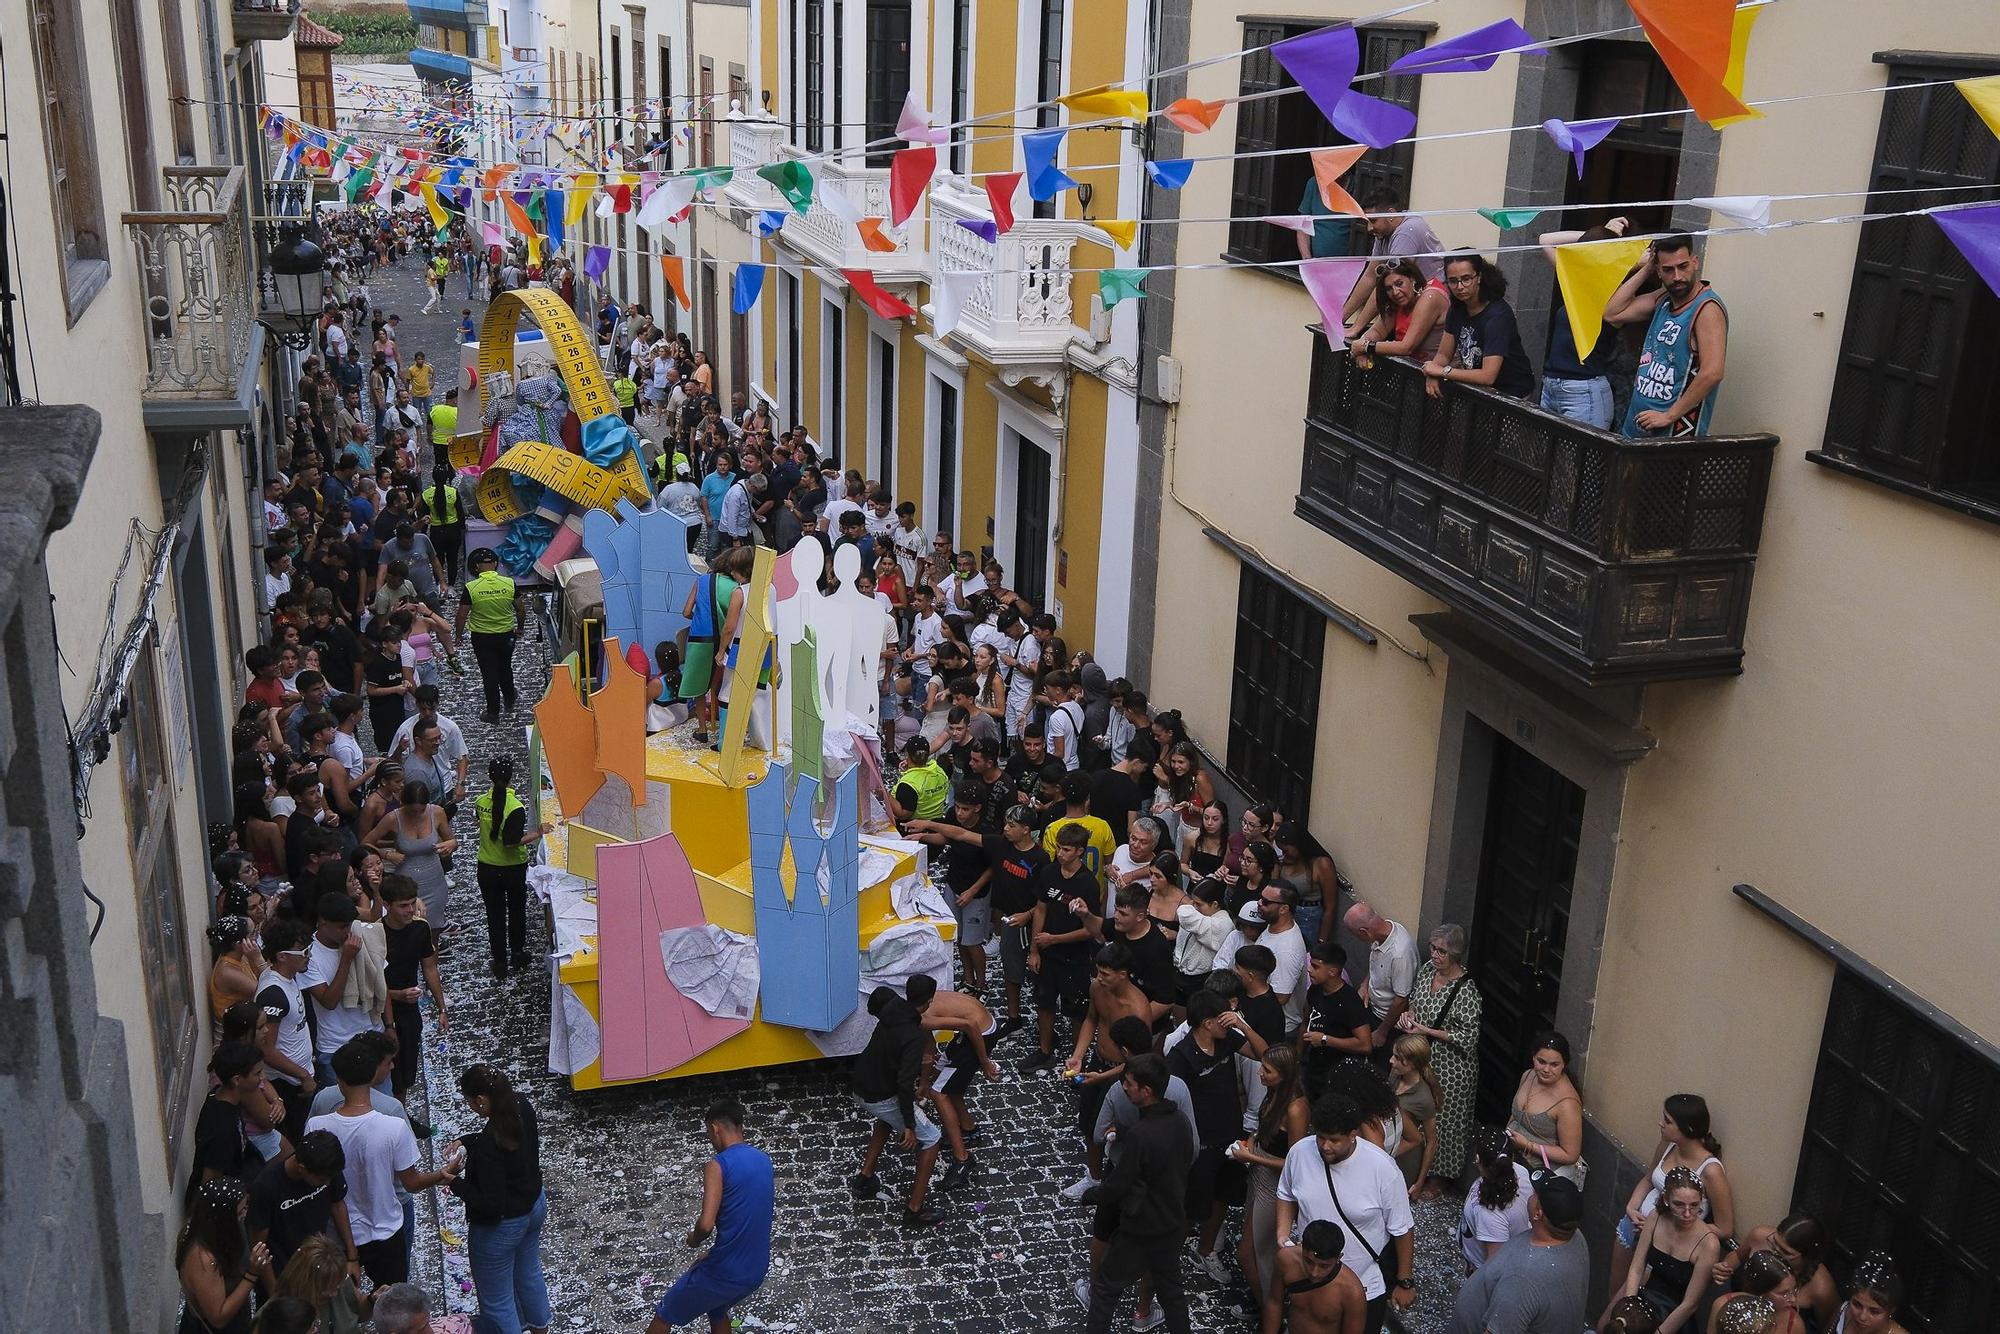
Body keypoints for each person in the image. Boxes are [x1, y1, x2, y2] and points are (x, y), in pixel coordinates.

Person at [305, 1037, 463, 1288]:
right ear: (371, 1077)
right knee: (394, 1300)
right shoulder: (394, 1126)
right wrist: (443, 1174)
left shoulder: (317, 1125)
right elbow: (411, 1183)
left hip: (336, 1232)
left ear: (340, 1080)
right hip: (386, 1231)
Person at [1274, 1093, 1417, 1334]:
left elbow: (1402, 1228)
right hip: (1312, 1275)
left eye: (1334, 1140)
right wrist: (1283, 1235)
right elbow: (1286, 1193)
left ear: (1353, 1135)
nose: (1325, 1146)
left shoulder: (1382, 1169)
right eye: (1320, 1138)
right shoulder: (1299, 1153)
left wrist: (1404, 1281)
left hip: (1365, 1285)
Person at [1080, 1053, 1195, 1334]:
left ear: (1146, 1091)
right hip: (1171, 1223)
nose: (1125, 1087)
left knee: (1105, 1289)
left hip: (1141, 1228)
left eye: (1129, 1084)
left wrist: (1091, 1195)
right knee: (1171, 1293)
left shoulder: (1141, 1135)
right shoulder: (1179, 1121)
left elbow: (1118, 1185)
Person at [648, 1100, 775, 1334]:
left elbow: (706, 1225)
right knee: (716, 1308)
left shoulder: (718, 1166)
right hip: (755, 1268)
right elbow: (749, 1217)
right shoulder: (764, 1160)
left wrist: (693, 1240)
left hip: (726, 1271)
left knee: (664, 1314)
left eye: (709, 1133)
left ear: (715, 1128)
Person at [450, 1065, 552, 1334]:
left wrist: (454, 1183)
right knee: (528, 1274)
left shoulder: (488, 1148)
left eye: (470, 1102)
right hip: (534, 1205)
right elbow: (506, 1138)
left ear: (481, 1100)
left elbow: (490, 1204)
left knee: (498, 1300)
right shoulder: (522, 1106)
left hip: (502, 1226)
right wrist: (466, 1140)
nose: (472, 1106)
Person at [1611, 1093, 1736, 1302]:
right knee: (1614, 1292)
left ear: (1687, 1128)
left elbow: (1725, 1227)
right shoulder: (1667, 1146)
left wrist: (1661, 1226)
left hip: (1663, 1245)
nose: (1661, 1123)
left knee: (1629, 1300)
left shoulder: (1711, 1171)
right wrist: (1632, 1208)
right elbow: (1649, 1178)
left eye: (1668, 1121)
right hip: (1632, 1227)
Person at [1606, 234, 1728, 438]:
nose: (1677, 276)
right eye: (1668, 269)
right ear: (1658, 270)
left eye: (1683, 266)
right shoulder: (1663, 298)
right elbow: (1612, 313)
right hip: (1637, 426)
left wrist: (1669, 416)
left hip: (1672, 436)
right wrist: (1645, 269)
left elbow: (1713, 372)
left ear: (1695, 262)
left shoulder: (1706, 309)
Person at [848, 984, 943, 1228]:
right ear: (929, 1001)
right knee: (932, 1139)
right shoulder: (913, 1034)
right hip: (883, 1095)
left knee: (888, 1118)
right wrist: (910, 1127)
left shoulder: (891, 1012)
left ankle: (865, 1178)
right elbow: (903, 1085)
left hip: (862, 1085)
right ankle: (914, 1210)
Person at [1449, 1171, 1591, 1334]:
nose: (1530, 1195)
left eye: (1535, 1195)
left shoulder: (1523, 1280)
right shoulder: (1576, 1236)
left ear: (1538, 1214)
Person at [1395, 922, 1479, 1193]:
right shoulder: (1427, 971)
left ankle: (1437, 1177)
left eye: (1442, 951)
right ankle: (1411, 1163)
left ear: (1455, 954)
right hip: (1423, 1056)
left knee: (1444, 1120)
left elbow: (1467, 1036)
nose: (1435, 955)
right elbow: (1414, 1000)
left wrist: (1426, 1031)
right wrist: (1410, 1015)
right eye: (1433, 948)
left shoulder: (1467, 991)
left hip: (1451, 1066)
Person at [1536, 219, 1630, 429]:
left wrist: (1613, 243)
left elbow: (1643, 260)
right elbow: (1545, 240)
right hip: (1553, 385)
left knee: (1583, 459)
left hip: (1584, 390)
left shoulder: (1615, 292)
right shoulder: (1576, 281)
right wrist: (1599, 233)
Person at [1019, 822, 1098, 1073]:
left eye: (1065, 849)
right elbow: (1041, 908)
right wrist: (1034, 949)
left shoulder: (1087, 884)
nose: (1060, 854)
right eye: (1058, 848)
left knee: (1077, 1010)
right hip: (1047, 954)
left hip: (1075, 958)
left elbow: (1090, 929)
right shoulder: (1050, 873)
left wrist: (1055, 939)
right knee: (1044, 1002)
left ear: (1079, 851)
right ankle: (1045, 1050)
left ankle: (1077, 1057)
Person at [1606, 1165, 1721, 1334]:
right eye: (1679, 1205)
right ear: (1666, 1199)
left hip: (1676, 1316)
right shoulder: (1655, 1217)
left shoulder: (1708, 1244)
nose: (1688, 1213)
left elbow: (1690, 1303)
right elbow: (1637, 1268)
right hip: (1645, 1301)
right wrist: (1630, 1307)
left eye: (1695, 1205)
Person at [247, 1129, 358, 1285]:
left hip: (316, 1267)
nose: (327, 1183)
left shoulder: (327, 1168)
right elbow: (259, 1245)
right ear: (302, 1168)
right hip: (284, 1272)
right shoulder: (266, 1187)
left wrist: (352, 1257)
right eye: (322, 1180)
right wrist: (274, 1293)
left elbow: (337, 1205)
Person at [1422, 250, 1536, 400]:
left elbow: (1487, 376)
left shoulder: (1497, 316)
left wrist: (1442, 371)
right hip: (1480, 392)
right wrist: (1432, 372)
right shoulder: (1457, 308)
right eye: (1453, 281)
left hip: (1512, 395)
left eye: (1466, 279)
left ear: (1479, 277)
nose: (1460, 286)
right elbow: (1443, 354)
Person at [475, 757, 551, 980]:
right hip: (512, 868)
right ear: (510, 778)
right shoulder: (514, 807)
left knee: (494, 914)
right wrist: (538, 832)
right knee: (516, 911)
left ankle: (499, 960)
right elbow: (511, 842)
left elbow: (479, 821)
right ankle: (517, 953)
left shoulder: (480, 801)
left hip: (487, 867)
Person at [378, 876, 445, 1101]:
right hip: (381, 1010)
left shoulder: (420, 928)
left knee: (407, 1069)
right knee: (389, 1070)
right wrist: (397, 995)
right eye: (403, 906)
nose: (409, 910)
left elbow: (430, 967)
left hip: (409, 1009)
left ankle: (403, 1110)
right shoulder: (376, 934)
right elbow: (370, 985)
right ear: (387, 905)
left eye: (412, 903)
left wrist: (441, 1008)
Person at [1341, 189, 1445, 334]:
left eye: (1372, 221)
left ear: (1390, 214)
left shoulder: (1406, 232)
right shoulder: (1383, 232)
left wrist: (1356, 328)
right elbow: (1370, 276)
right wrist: (1340, 318)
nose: (1369, 228)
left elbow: (1386, 283)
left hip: (1432, 302)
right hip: (1411, 299)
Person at [176, 1176, 269, 1334]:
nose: (245, 1214)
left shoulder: (228, 1230)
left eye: (246, 1206)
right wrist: (252, 1274)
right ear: (223, 1217)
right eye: (241, 1211)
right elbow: (218, 1317)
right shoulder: (203, 1259)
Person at [256, 917, 320, 1145]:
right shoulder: (274, 993)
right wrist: (302, 1076)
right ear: (282, 956)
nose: (308, 956)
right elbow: (267, 1050)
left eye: (308, 949)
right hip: (289, 1084)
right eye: (303, 952)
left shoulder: (288, 978)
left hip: (301, 1076)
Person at [190, 1042, 272, 1202]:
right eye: (257, 1073)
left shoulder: (219, 1097)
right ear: (237, 1080)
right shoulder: (222, 1130)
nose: (262, 1078)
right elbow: (211, 1182)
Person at [455, 547, 523, 725]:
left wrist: (458, 635)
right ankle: (509, 699)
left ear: (476, 567)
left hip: (482, 637)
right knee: (505, 667)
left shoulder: (471, 588)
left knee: (489, 674)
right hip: (506, 635)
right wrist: (520, 628)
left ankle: (493, 712)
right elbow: (521, 609)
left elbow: (462, 614)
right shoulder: (509, 583)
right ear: (495, 564)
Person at [1506, 1031, 1585, 1184]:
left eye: (1554, 1065)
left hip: (1538, 1173)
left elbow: (1570, 1155)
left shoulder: (1567, 1104)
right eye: (1541, 1062)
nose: (1546, 1070)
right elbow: (1515, 1116)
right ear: (1533, 1057)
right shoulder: (1528, 1075)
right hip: (1511, 1159)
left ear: (1564, 1064)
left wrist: (1528, 1145)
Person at [1343, 901, 1418, 1059]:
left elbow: (1401, 1000)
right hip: (1372, 1009)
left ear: (1364, 932)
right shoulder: (1382, 930)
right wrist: (1365, 985)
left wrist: (1382, 1032)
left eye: (1357, 936)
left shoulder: (1400, 954)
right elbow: (1377, 963)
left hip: (1387, 1022)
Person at [1350, 258, 1449, 368]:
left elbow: (1406, 347)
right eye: (1389, 288)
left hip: (1444, 376)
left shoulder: (1430, 297)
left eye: (1399, 284)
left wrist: (1366, 347)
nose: (1395, 292)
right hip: (1414, 373)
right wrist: (1361, 350)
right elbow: (1377, 332)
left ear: (1412, 279)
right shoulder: (1398, 302)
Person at [1460, 1128, 1533, 1273]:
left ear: (1477, 1159)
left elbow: (1495, 1267)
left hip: (1479, 1267)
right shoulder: (1521, 1172)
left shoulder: (1490, 1215)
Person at [273, 1234, 366, 1334]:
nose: (334, 1293)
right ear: (305, 1283)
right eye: (326, 1289)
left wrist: (373, 1301)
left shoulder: (337, 1281)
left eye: (337, 1286)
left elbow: (359, 1314)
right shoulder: (276, 1315)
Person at [1388, 1035, 1439, 1189]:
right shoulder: (1395, 1074)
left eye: (1397, 1058)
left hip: (1404, 1157)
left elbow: (1432, 1141)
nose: (1391, 1060)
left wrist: (1420, 1182)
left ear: (1412, 1064)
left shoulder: (1423, 1099)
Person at [1834, 1252, 1908, 1334]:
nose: (1862, 1317)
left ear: (1891, 1311)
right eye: (1857, 1305)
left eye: (1874, 1312)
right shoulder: (1843, 1313)